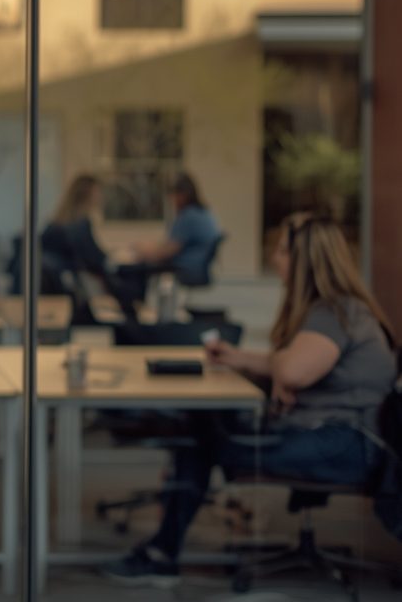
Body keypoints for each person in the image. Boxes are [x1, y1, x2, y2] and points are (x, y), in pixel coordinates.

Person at [102, 213, 398, 587]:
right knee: (204, 427)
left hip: (344, 445)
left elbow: (292, 372)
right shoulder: (334, 309)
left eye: (283, 252)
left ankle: (163, 555)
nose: (275, 259)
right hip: (334, 438)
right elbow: (292, 367)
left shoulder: (336, 312)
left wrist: (280, 369)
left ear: (306, 260)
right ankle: (163, 550)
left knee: (200, 437)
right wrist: (242, 359)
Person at [42, 174, 138, 321]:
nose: (101, 196)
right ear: (88, 194)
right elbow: (95, 259)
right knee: (127, 289)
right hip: (68, 291)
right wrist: (118, 260)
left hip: (57, 290)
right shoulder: (79, 224)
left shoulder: (58, 223)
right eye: (98, 191)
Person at [129, 173, 221, 290]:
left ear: (183, 195)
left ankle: (136, 305)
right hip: (197, 267)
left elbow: (169, 251)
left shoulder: (189, 216)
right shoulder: (203, 212)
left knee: (139, 269)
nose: (172, 200)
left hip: (187, 268)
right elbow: (171, 244)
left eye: (174, 195)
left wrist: (143, 254)